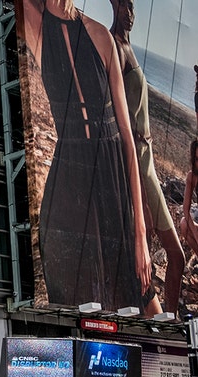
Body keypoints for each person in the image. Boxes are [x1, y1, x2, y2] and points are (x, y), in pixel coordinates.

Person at [19, 0, 153, 312]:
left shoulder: (101, 37)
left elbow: (128, 141)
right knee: (83, 304)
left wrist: (141, 235)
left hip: (112, 180)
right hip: (70, 183)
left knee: (133, 294)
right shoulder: (36, 27)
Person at [110, 0, 185, 316]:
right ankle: (161, 319)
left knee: (169, 258)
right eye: (125, 4)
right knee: (165, 257)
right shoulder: (111, 44)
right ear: (114, 6)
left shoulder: (126, 45)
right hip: (136, 166)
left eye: (132, 6)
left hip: (149, 164)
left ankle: (167, 317)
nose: (131, 11)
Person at [180, 140, 198, 254]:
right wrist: (196, 236)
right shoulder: (192, 176)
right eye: (197, 159)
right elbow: (186, 210)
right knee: (184, 224)